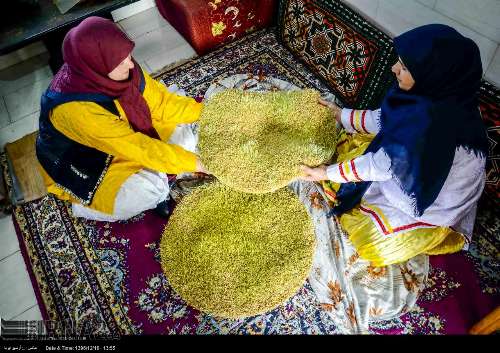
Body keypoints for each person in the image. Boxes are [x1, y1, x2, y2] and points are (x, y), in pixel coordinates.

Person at [300, 24, 488, 267]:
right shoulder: (435, 94)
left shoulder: (432, 123)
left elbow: (383, 164)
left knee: (370, 244)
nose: (394, 68)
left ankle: (432, 234)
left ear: (430, 74)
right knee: (356, 146)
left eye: (405, 67)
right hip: (421, 165)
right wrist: (340, 115)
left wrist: (324, 172)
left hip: (434, 200)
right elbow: (385, 119)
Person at [36, 17, 207, 222]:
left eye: (127, 54)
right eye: (119, 60)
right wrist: (197, 164)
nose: (130, 63)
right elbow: (137, 147)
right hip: (89, 158)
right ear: (99, 65)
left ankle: (161, 172)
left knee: (186, 141)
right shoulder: (78, 111)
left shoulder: (117, 68)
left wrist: (208, 110)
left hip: (119, 134)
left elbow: (162, 104)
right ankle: (82, 206)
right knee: (149, 191)